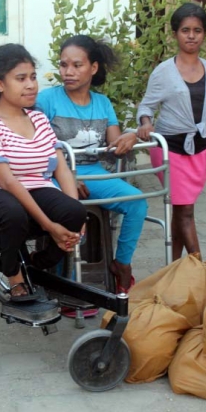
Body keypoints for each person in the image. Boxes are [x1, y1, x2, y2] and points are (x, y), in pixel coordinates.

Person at [0, 43, 87, 302]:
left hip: (34, 184)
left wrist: (74, 213)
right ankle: (15, 278)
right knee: (13, 212)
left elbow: (60, 165)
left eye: (32, 77)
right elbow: (6, 180)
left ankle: (35, 263)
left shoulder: (38, 119)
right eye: (21, 79)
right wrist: (48, 224)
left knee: (75, 212)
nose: (31, 85)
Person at [36, 34, 147, 295]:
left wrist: (130, 135)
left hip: (93, 173)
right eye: (64, 65)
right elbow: (38, 149)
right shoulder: (47, 100)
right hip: (53, 174)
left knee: (137, 202)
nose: (68, 72)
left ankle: (121, 264)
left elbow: (113, 146)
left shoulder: (102, 103)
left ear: (93, 68)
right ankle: (66, 282)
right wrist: (67, 179)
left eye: (77, 65)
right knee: (66, 206)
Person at [137, 2, 206, 261]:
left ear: (204, 34)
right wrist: (145, 122)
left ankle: (174, 269)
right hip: (170, 150)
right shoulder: (164, 72)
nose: (191, 36)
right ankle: (200, 269)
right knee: (186, 211)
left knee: (180, 210)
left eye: (197, 30)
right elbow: (146, 106)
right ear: (175, 33)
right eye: (185, 30)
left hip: (201, 150)